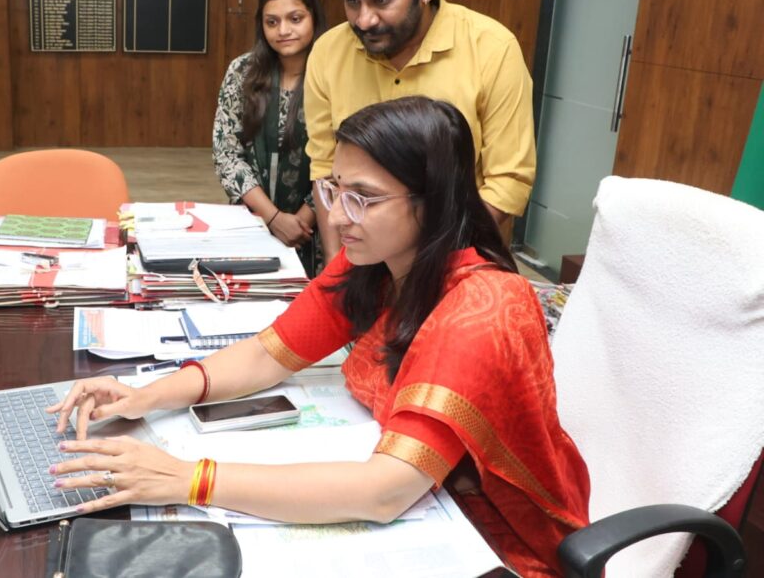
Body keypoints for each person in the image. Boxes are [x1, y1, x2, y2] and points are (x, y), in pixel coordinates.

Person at [47, 96, 589, 577]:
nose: (338, 218)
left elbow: (384, 491)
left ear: (433, 201)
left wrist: (190, 479)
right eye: (335, 190)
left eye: (364, 198)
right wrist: (146, 395)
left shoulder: (481, 306)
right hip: (428, 505)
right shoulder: (378, 260)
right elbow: (267, 355)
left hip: (492, 544)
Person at [305, 0, 537, 263]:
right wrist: (338, 269)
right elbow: (324, 169)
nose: (364, 20)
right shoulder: (328, 52)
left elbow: (508, 180)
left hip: (458, 258)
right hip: (360, 262)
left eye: (382, 0)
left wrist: (429, 267)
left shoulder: (492, 48)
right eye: (352, 2)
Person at [212, 0, 326, 272]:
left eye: (295, 19)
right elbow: (227, 154)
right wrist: (273, 218)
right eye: (272, 22)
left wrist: (302, 219)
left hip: (316, 229)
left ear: (314, 17)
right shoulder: (242, 71)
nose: (283, 30)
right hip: (251, 221)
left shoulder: (333, 74)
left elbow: (339, 160)